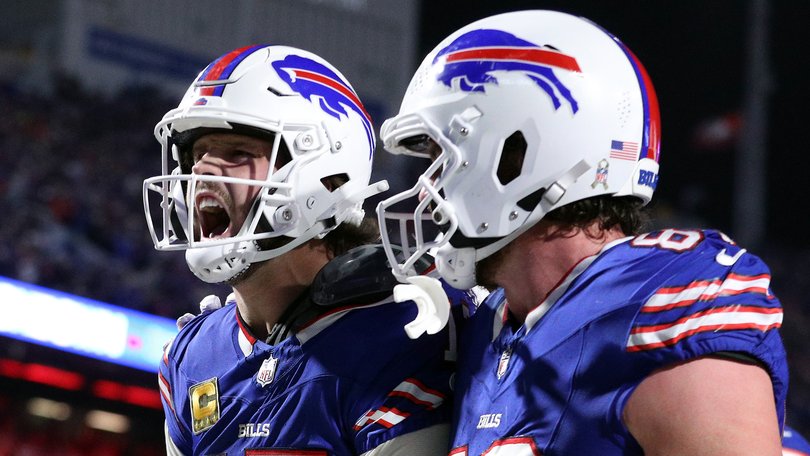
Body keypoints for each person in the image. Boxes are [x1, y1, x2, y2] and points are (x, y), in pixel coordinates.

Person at [375, 10, 788, 455]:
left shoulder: (656, 303)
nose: (427, 189)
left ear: (519, 155)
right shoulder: (486, 330)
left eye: (443, 158)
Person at [142, 44, 459, 455]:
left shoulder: (401, 330)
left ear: (327, 178)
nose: (200, 172)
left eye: (237, 153)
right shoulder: (194, 357)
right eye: (198, 155)